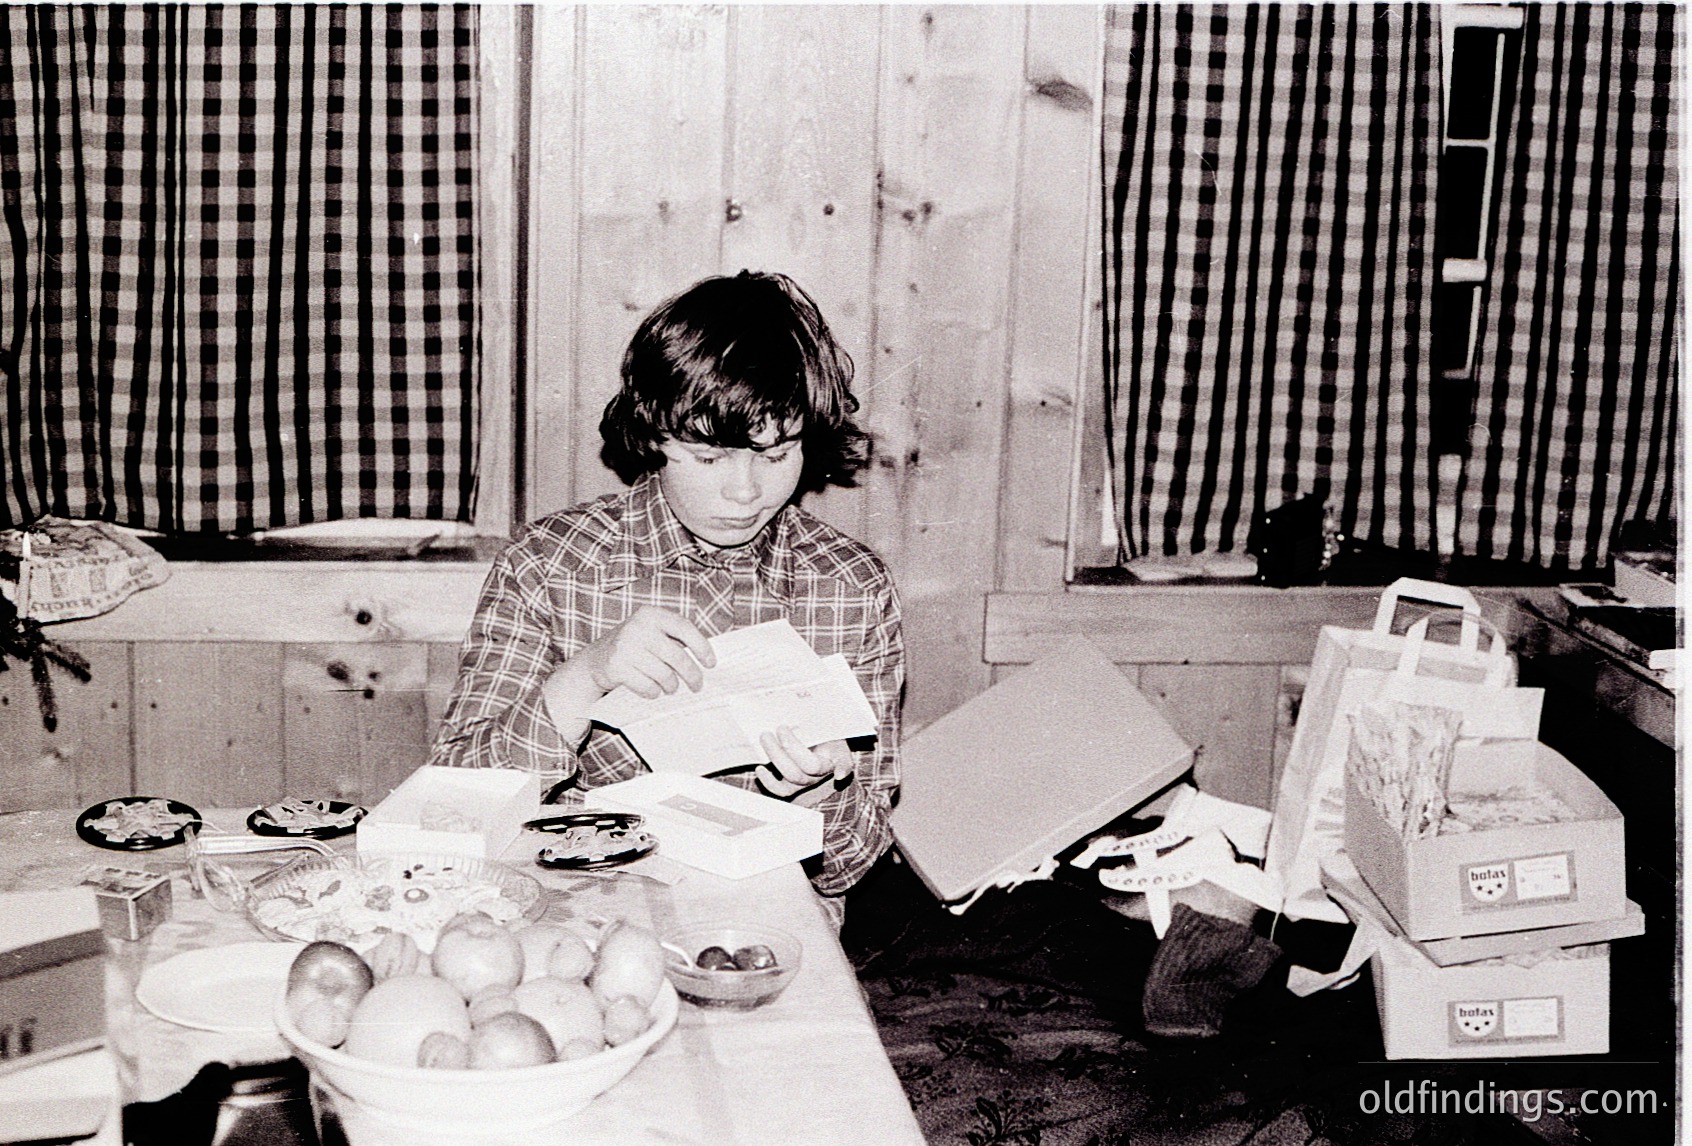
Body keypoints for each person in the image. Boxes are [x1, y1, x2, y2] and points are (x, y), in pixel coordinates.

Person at [430, 270, 903, 916]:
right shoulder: (550, 564)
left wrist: (814, 796)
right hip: (568, 912)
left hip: (760, 926)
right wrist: (585, 677)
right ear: (653, 433)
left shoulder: (851, 588)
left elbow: (852, 863)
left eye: (777, 454)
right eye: (710, 458)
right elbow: (452, 809)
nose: (745, 492)